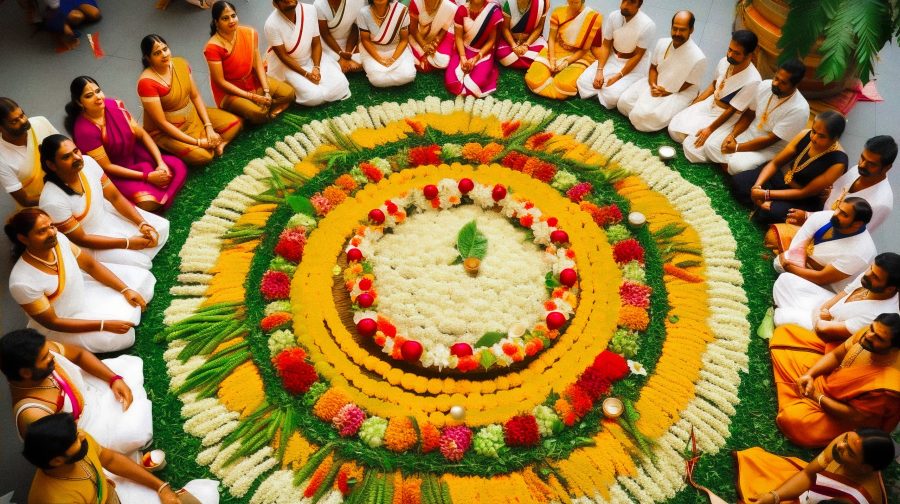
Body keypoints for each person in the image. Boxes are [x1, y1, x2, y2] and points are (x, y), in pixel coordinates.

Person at [5, 208, 153, 353]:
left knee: (142, 282)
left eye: (51, 226)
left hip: (84, 296)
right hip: (60, 326)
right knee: (120, 337)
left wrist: (125, 290)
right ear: (23, 238)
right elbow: (53, 323)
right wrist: (103, 325)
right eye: (42, 231)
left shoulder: (60, 240)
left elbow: (90, 265)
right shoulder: (21, 282)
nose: (51, 233)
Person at [1, 329, 153, 455]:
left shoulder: (42, 352)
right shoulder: (32, 414)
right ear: (26, 373)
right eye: (45, 357)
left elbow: (79, 355)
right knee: (135, 433)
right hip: (85, 430)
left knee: (130, 365)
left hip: (88, 389)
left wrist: (114, 379)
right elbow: (66, 451)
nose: (52, 355)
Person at [23, 413, 220, 503]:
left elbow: (110, 460)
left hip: (115, 494)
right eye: (75, 438)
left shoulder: (79, 442)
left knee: (199, 498)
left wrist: (161, 487)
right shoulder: (53, 499)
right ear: (57, 461)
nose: (82, 435)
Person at [769, 313, 900, 448]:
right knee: (787, 333)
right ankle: (802, 392)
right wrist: (809, 375)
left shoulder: (889, 387)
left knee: (792, 420)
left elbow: (855, 416)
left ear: (894, 349)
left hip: (845, 419)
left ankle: (801, 398)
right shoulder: (868, 333)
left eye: (878, 338)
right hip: (829, 381)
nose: (869, 336)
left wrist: (816, 396)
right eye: (872, 329)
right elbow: (836, 355)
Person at [39, 135, 169, 270]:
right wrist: (127, 243)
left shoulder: (88, 162)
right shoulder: (52, 200)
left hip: (108, 216)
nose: (77, 158)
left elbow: (115, 197)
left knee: (161, 227)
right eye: (66, 157)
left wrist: (142, 223)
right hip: (90, 241)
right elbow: (81, 239)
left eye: (76, 151)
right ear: (52, 165)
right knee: (141, 262)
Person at [65, 76, 188, 213]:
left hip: (134, 153)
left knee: (178, 166)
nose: (98, 97)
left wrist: (160, 163)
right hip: (114, 173)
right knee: (148, 202)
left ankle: (160, 190)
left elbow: (142, 134)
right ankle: (156, 194)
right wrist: (147, 177)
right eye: (89, 96)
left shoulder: (114, 105)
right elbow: (107, 166)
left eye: (98, 91)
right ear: (79, 102)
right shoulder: (84, 131)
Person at [138, 34, 243, 167]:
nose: (164, 54)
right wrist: (198, 143)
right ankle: (197, 144)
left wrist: (209, 126)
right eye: (157, 53)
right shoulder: (147, 83)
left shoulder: (180, 63)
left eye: (165, 49)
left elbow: (195, 96)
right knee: (204, 157)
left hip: (192, 116)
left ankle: (217, 143)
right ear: (148, 58)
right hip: (167, 130)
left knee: (234, 124)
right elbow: (162, 123)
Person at [773, 135, 896, 244]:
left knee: (773, 230)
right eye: (862, 158)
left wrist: (807, 217)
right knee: (771, 210)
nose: (862, 165)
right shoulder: (857, 170)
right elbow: (831, 200)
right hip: (818, 215)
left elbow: (851, 233)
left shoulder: (882, 203)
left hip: (831, 238)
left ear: (887, 168)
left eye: (871, 164)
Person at [733, 111, 848, 224]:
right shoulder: (805, 134)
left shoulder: (838, 162)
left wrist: (766, 194)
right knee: (738, 182)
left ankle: (764, 205)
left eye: (822, 136)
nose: (814, 137)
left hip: (802, 198)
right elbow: (775, 163)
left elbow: (804, 192)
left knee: (768, 212)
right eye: (814, 131)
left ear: (835, 138)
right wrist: (757, 187)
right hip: (784, 179)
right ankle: (761, 202)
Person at [699, 59, 809, 175]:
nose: (776, 84)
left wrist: (736, 147)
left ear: (795, 85)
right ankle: (730, 168)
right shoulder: (765, 85)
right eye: (776, 78)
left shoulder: (799, 109)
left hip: (770, 148)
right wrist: (732, 135)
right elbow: (749, 114)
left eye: (783, 83)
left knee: (737, 165)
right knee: (711, 146)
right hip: (749, 134)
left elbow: (771, 140)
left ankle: (733, 167)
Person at [773, 253, 900, 353]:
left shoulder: (882, 315)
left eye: (875, 277)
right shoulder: (869, 277)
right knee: (785, 280)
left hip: (827, 335)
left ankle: (793, 312)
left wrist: (819, 315)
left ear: (890, 288)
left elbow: (824, 329)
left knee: (781, 317)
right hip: (827, 311)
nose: (868, 274)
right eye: (871, 269)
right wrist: (824, 308)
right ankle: (796, 312)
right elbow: (843, 294)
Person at [734, 429, 893, 504]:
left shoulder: (856, 499)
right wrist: (774, 496)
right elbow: (809, 473)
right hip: (810, 492)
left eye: (849, 452)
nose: (840, 446)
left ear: (865, 468)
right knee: (754, 461)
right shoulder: (843, 444)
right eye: (845, 439)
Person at [204, 1, 295, 125]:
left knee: (289, 94)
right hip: (230, 91)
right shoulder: (213, 48)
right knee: (258, 114)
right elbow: (220, 82)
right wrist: (251, 96)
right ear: (216, 22)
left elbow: (257, 65)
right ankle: (255, 109)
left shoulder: (250, 33)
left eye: (233, 16)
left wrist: (266, 91)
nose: (231, 21)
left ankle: (259, 106)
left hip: (252, 80)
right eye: (225, 18)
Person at [617, 11, 707, 132]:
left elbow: (688, 84)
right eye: (675, 29)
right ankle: (642, 108)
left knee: (641, 119)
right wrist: (653, 85)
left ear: (691, 30)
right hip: (656, 83)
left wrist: (667, 91)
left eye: (682, 30)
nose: (677, 33)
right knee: (623, 103)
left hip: (678, 91)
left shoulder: (699, 57)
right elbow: (653, 68)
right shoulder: (662, 43)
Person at [670, 30, 761, 148]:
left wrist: (709, 129)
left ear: (749, 55)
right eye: (730, 50)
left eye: (736, 53)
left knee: (691, 146)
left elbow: (732, 110)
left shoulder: (753, 81)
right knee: (673, 128)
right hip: (711, 103)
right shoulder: (724, 61)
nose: (730, 55)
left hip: (726, 115)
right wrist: (695, 103)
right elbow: (713, 86)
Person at [772, 198, 876, 295]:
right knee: (772, 238)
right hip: (805, 261)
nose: (835, 214)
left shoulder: (861, 252)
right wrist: (793, 259)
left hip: (828, 289)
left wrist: (789, 266)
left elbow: (820, 278)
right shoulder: (824, 216)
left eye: (844, 214)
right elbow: (799, 244)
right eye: (838, 209)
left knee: (787, 279)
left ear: (857, 224)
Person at [265, 0, 352, 106]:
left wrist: (316, 68)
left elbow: (316, 43)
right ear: (275, 4)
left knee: (341, 84)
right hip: (288, 66)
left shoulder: (309, 10)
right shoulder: (271, 24)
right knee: (313, 97)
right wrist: (306, 74)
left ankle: (318, 89)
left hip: (312, 58)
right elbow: (283, 57)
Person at [575, 0, 655, 109]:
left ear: (639, 4)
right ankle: (599, 92)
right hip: (613, 57)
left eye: (631, 2)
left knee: (612, 95)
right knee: (583, 81)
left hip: (634, 65)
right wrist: (600, 71)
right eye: (624, 1)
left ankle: (601, 94)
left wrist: (618, 76)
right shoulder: (614, 16)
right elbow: (606, 45)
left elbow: (638, 55)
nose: (625, 5)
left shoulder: (648, 25)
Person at [523, 0, 601, 99]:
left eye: (576, 3)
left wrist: (567, 62)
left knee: (564, 86)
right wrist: (552, 59)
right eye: (570, 2)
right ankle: (551, 81)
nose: (572, 5)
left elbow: (585, 49)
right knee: (532, 80)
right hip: (556, 49)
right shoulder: (558, 12)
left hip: (578, 55)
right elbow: (551, 38)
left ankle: (554, 82)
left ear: (582, 1)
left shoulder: (593, 18)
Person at [0, 98, 59, 207]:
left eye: (22, 115)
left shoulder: (41, 123)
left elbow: (66, 150)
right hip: (41, 209)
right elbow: (25, 201)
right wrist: (60, 197)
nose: (23, 122)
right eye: (14, 121)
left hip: (70, 188)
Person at [445, 0, 504, 97]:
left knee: (475, 85)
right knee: (452, 82)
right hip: (463, 49)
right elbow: (458, 37)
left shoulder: (492, 11)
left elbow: (491, 41)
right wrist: (463, 57)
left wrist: (477, 57)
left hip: (483, 52)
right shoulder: (462, 10)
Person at [357, 0, 417, 87]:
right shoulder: (363, 12)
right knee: (377, 80)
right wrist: (380, 59)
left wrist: (393, 59)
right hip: (374, 49)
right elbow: (365, 40)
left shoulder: (401, 10)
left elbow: (404, 40)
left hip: (395, 48)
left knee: (409, 75)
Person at [495, 0, 549, 69]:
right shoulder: (509, 4)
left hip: (530, 40)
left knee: (544, 49)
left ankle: (518, 59)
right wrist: (514, 46)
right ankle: (534, 61)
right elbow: (505, 28)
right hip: (511, 40)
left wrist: (526, 44)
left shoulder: (542, 3)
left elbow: (539, 28)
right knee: (501, 53)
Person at [315, 0, 364, 73]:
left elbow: (355, 27)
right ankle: (340, 61)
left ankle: (346, 61)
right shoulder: (319, 4)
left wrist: (348, 52)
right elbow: (325, 34)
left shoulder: (355, 1)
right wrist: (340, 53)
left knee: (362, 56)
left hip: (349, 40)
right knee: (331, 63)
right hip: (327, 43)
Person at [408, 0, 457, 72]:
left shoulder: (449, 5)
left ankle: (423, 57)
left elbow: (444, 29)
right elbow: (413, 29)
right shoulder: (416, 2)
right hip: (419, 35)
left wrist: (435, 43)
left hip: (437, 37)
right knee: (408, 51)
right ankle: (424, 58)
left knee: (443, 61)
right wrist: (424, 45)